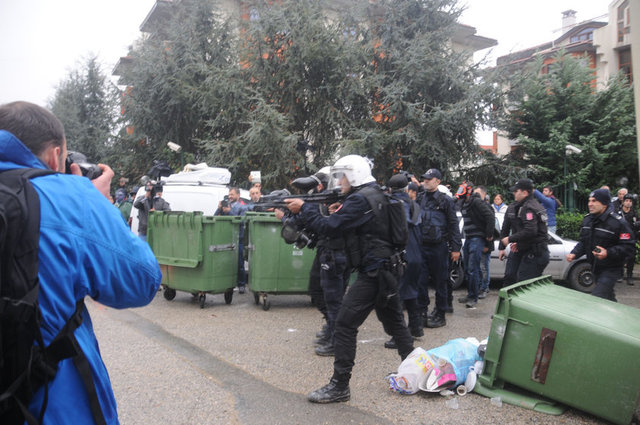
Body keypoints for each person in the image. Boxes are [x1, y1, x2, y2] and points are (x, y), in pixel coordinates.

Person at [0, 101, 161, 423]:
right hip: (48, 406)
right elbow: (142, 281)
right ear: (55, 156)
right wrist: (98, 205)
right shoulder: (71, 197)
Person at [284, 155, 413, 404]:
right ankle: (416, 371)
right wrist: (338, 211)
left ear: (354, 175)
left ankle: (339, 385)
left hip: (375, 272)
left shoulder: (359, 199)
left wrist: (304, 208)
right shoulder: (374, 193)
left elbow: (329, 227)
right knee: (395, 322)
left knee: (344, 325)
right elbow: (360, 224)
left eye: (343, 176)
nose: (340, 181)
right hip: (388, 269)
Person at [567, 188, 635, 301]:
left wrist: (608, 252)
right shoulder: (587, 220)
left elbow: (628, 247)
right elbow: (584, 241)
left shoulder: (617, 223)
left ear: (604, 204)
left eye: (594, 201)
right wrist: (574, 253)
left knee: (598, 297)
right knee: (608, 298)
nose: (590, 204)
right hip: (595, 267)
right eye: (589, 201)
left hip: (612, 268)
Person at [417, 169, 461, 328]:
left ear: (437, 181)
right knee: (420, 281)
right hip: (422, 246)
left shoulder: (445, 201)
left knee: (441, 281)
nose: (426, 181)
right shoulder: (420, 198)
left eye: (429, 179)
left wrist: (456, 248)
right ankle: (422, 312)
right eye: (424, 179)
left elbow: (453, 225)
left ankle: (440, 313)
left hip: (439, 247)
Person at [384, 174, 423, 348]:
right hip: (416, 255)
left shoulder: (392, 205)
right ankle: (416, 327)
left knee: (396, 295)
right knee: (411, 291)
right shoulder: (415, 204)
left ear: (390, 189)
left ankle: (399, 336)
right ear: (407, 189)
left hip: (401, 256)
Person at [500, 178, 550, 281]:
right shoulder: (517, 206)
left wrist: (510, 239)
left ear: (525, 193)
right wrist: (503, 247)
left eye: (516, 191)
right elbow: (507, 227)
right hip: (522, 248)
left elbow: (531, 231)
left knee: (523, 282)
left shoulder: (530, 207)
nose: (514, 193)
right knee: (510, 277)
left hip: (535, 251)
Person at [457, 185, 495, 308]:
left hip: (477, 238)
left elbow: (490, 216)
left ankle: (473, 297)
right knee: (468, 269)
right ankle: (470, 294)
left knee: (473, 269)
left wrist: (489, 235)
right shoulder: (464, 202)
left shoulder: (476, 201)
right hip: (469, 238)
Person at [215, 187, 249, 293]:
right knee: (225, 263)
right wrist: (219, 208)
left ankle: (241, 284)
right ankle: (226, 283)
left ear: (238, 195)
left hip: (238, 239)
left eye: (232, 194)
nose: (230, 196)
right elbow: (215, 218)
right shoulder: (225, 206)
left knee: (239, 263)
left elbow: (242, 221)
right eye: (229, 194)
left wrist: (230, 212)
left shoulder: (242, 207)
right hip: (226, 238)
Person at [616, 193, 638, 286]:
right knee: (620, 257)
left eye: (630, 201)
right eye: (627, 201)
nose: (628, 203)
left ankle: (629, 277)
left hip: (631, 240)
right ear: (623, 202)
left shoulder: (634, 213)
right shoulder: (618, 213)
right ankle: (620, 275)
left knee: (631, 259)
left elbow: (637, 227)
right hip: (620, 239)